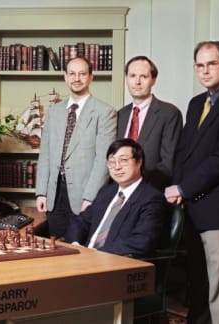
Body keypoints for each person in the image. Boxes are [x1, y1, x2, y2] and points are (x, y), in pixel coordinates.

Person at [165, 41, 219, 324]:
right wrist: (178, 187)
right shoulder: (195, 104)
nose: (205, 71)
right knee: (199, 282)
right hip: (190, 207)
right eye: (200, 65)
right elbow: (183, 151)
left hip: (218, 207)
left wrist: (182, 187)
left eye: (211, 63)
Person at [36, 56, 116, 239]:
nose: (76, 78)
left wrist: (90, 197)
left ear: (90, 77)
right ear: (65, 77)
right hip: (54, 195)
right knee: (55, 249)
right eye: (72, 73)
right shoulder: (54, 112)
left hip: (84, 195)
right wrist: (42, 191)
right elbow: (45, 154)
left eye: (82, 74)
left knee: (80, 251)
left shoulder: (105, 113)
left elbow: (103, 159)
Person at [65, 138, 168, 256]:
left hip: (115, 263)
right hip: (84, 258)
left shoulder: (151, 198)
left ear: (139, 162)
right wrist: (75, 243)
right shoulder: (106, 192)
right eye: (111, 162)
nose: (117, 167)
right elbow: (80, 222)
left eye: (123, 160)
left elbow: (143, 241)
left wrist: (98, 253)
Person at [117, 56, 182, 191]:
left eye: (144, 76)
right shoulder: (119, 115)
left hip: (151, 191)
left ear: (153, 80)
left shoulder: (169, 113)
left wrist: (137, 188)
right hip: (119, 191)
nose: (137, 82)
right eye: (132, 75)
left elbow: (168, 163)